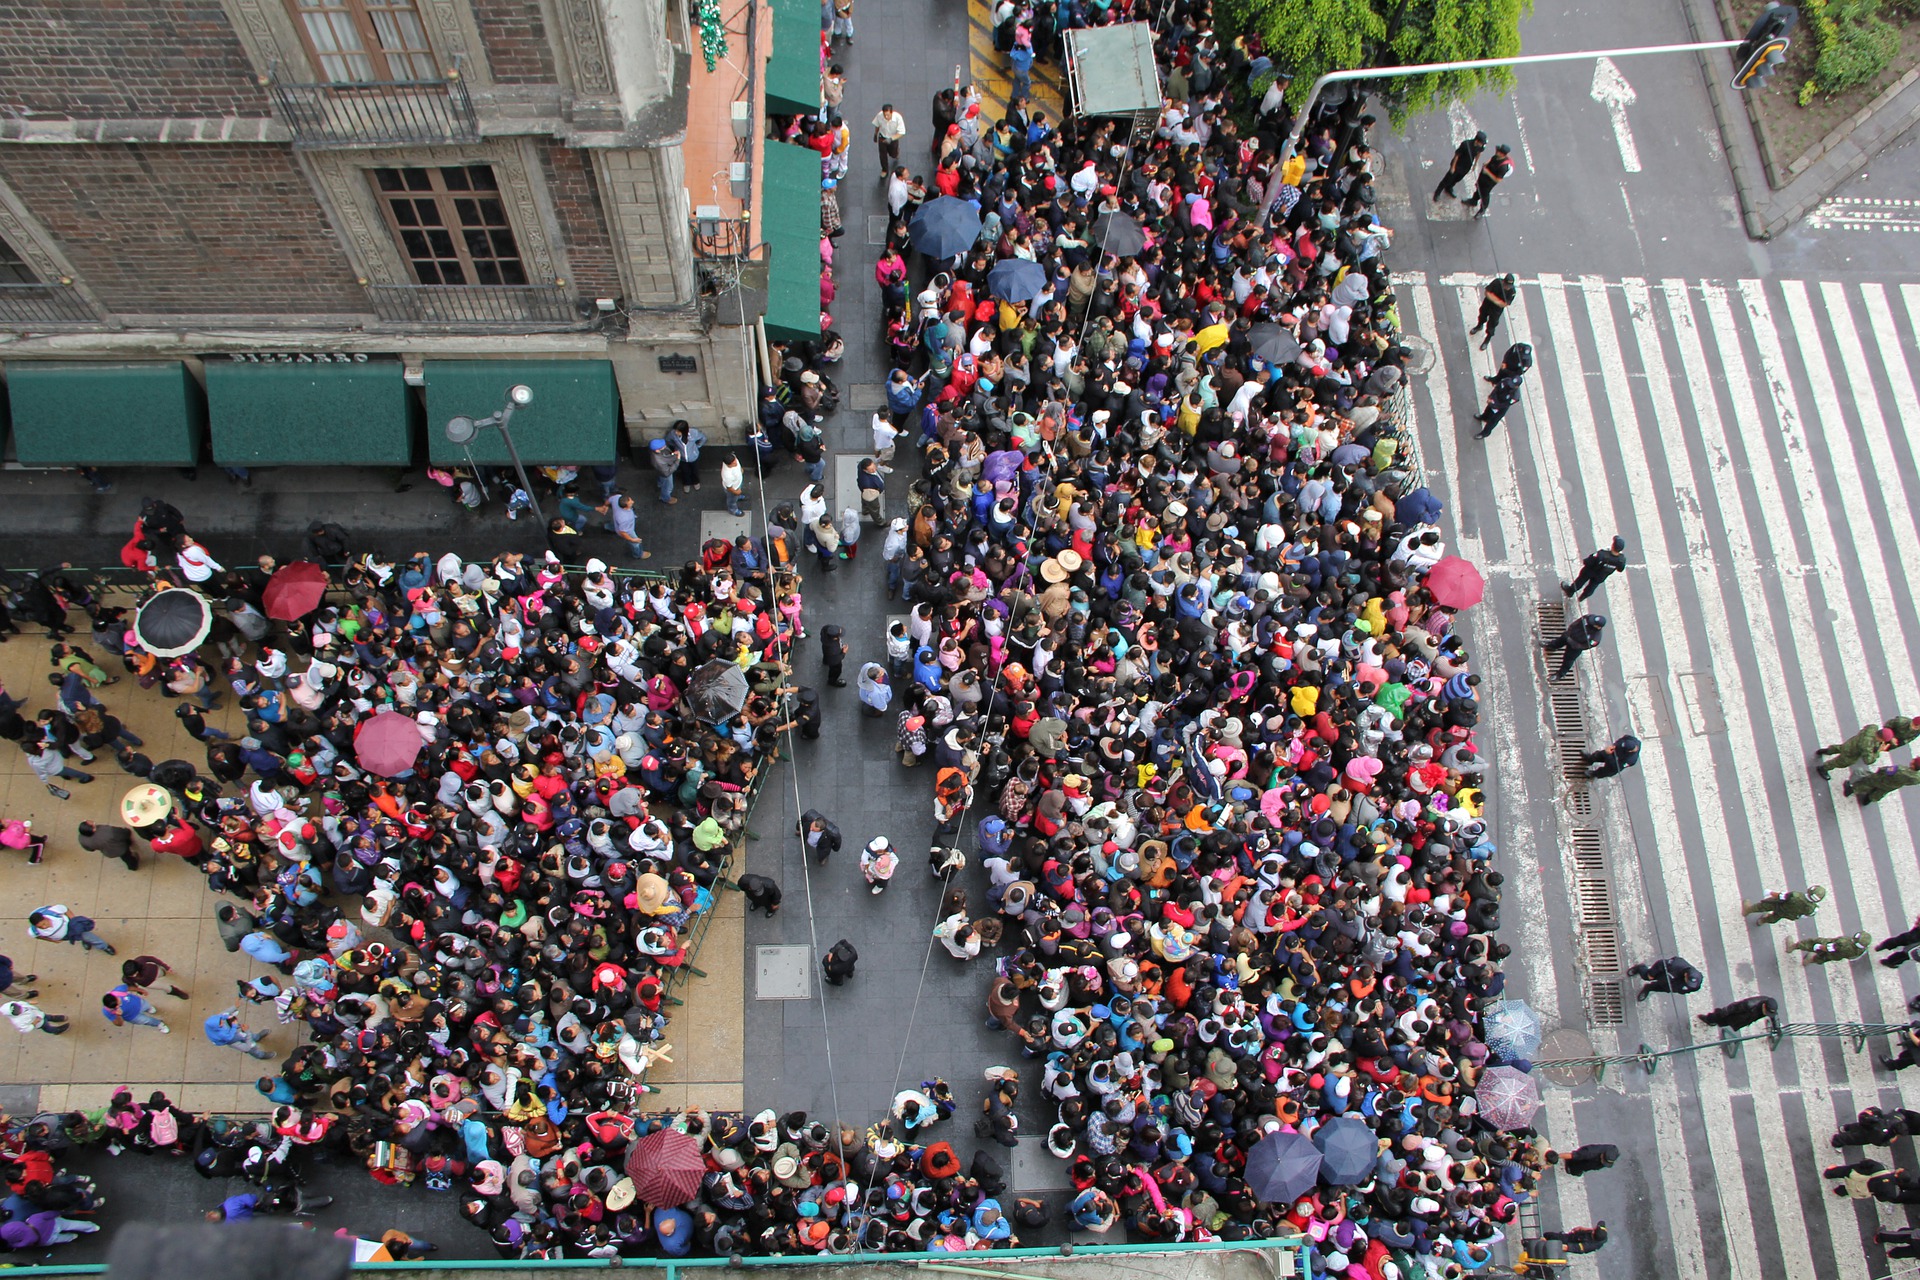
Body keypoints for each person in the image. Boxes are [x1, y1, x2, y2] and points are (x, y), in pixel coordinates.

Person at [1542, 613, 1606, 682]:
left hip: (1574, 648)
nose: (1591, 622)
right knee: (1558, 641)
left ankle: (1559, 675)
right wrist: (1569, 632)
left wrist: (1572, 643)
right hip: (1569, 635)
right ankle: (1551, 646)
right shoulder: (1589, 618)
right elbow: (1576, 623)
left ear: (1598, 627)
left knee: (1568, 661)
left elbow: (1584, 646)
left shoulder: (1595, 638)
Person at [1562, 536, 1628, 601]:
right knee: (1592, 587)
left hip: (1590, 571)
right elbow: (1620, 569)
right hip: (1601, 576)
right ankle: (1583, 597)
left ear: (1613, 546)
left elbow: (1588, 561)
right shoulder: (1621, 560)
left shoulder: (1601, 554)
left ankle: (1570, 591)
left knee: (1580, 581)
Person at [1467, 273, 1516, 351]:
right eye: (1506, 285)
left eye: (1509, 286)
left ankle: (1487, 340)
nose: (1507, 287)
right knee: (1482, 316)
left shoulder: (1512, 291)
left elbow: (1504, 304)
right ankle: (1479, 326)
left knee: (1491, 326)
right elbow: (1487, 293)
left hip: (1496, 311)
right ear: (1503, 282)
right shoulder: (1497, 282)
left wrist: (1492, 298)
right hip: (1487, 304)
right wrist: (1497, 301)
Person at [1433, 130, 1486, 201]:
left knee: (1456, 180)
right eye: (1481, 143)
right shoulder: (1465, 145)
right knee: (1447, 180)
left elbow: (1478, 153)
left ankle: (1449, 188)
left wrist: (1475, 164)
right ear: (1477, 141)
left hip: (1466, 168)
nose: (1482, 145)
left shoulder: (1480, 147)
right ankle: (1437, 192)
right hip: (1457, 166)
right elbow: (1457, 155)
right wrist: (1453, 167)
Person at [204, 1007, 274, 1059]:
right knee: (252, 1049)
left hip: (238, 1033)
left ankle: (257, 1037)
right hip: (238, 1040)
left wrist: (234, 1007)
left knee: (250, 1035)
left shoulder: (218, 1022)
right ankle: (260, 1055)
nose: (222, 1021)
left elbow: (223, 1014)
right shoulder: (232, 1042)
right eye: (220, 1023)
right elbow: (247, 1047)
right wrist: (247, 1032)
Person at [1468, 143, 1514, 218]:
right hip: (1483, 176)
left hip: (1489, 181)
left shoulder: (1503, 168)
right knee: (1478, 188)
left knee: (1485, 194)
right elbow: (1492, 159)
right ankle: (1474, 200)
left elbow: (1497, 179)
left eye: (1499, 152)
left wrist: (1487, 172)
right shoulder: (1497, 156)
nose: (1497, 152)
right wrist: (1487, 163)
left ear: (1503, 154)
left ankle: (1482, 209)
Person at [1627, 955, 1701, 1001]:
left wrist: (1677, 990)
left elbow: (1690, 990)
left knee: (1655, 987)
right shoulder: (1676, 964)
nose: (1688, 984)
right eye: (1688, 981)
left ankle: (1647, 988)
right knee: (1646, 976)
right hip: (1662, 975)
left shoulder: (1695, 984)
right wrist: (1652, 973)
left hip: (1668, 987)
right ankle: (1640, 968)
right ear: (1686, 975)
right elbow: (1660, 963)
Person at [1743, 885, 1825, 926]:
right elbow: (1804, 916)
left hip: (1779, 905)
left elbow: (1781, 896)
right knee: (1774, 918)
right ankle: (1762, 921)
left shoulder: (1795, 895)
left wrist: (1770, 892)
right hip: (1787, 914)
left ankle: (1747, 910)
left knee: (1761, 907)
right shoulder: (1813, 909)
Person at [102, 985, 170, 1034]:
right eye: (117, 1006)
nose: (120, 1005)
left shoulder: (119, 990)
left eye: (118, 1001)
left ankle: (149, 1008)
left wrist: (141, 990)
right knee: (148, 1020)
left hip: (140, 1003)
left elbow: (129, 987)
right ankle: (159, 1024)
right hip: (133, 1017)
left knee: (147, 1006)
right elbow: (119, 1024)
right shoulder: (107, 1012)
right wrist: (118, 1015)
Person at [121, 955, 190, 1001]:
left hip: (156, 971)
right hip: (149, 983)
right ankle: (177, 992)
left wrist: (166, 967)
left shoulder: (140, 960)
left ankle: (164, 974)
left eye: (134, 974)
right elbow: (132, 985)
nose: (134, 976)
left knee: (163, 973)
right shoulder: (126, 978)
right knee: (166, 987)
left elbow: (153, 959)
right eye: (131, 975)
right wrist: (140, 991)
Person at [1696, 994, 1779, 1031]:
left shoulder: (1769, 1007)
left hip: (1742, 1020)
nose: (1767, 1014)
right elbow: (1733, 1007)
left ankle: (1713, 1020)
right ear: (1764, 1005)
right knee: (1718, 1019)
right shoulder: (1749, 1004)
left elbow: (1773, 1016)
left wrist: (1776, 1027)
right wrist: (1723, 1013)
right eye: (1767, 1012)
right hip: (1733, 1017)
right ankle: (1709, 1019)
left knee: (1723, 1022)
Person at [1787, 930, 1871, 964]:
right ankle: (1808, 961)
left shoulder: (1844, 943)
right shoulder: (1861, 950)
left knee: (1808, 944)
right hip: (1836, 956)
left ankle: (1792, 947)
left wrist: (1819, 946)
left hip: (1829, 948)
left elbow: (1828, 948)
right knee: (1822, 958)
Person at [1, 997, 67, 1036]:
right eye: (17, 1011)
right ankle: (55, 1031)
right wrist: (34, 1023)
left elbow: (22, 1003)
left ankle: (54, 1018)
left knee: (47, 1016)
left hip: (38, 1013)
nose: (20, 1009)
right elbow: (25, 1029)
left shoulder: (17, 1005)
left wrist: (29, 1003)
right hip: (39, 1022)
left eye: (17, 1007)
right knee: (46, 1027)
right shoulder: (18, 1022)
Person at [872, 103, 905, 170]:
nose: (886, 117)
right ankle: (884, 169)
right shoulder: (879, 116)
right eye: (884, 115)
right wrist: (875, 134)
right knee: (882, 155)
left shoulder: (898, 118)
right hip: (882, 137)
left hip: (893, 138)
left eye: (888, 115)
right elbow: (877, 125)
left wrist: (891, 139)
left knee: (893, 154)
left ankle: (896, 153)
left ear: (891, 112)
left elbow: (901, 132)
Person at [649, 436, 680, 504]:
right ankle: (665, 498)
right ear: (657, 450)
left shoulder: (654, 451)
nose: (665, 446)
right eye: (663, 446)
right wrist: (678, 459)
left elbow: (665, 456)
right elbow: (668, 472)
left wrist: (672, 454)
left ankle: (659, 484)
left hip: (660, 471)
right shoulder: (659, 462)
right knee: (668, 487)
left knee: (661, 479)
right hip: (665, 473)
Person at [1542, 1222, 1607, 1254]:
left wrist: (1550, 1244)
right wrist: (1582, 1229)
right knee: (1548, 1235)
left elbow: (1568, 1247)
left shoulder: (1588, 1246)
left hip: (1570, 1242)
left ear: (1593, 1234)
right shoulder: (1601, 1232)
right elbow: (1595, 1228)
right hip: (1576, 1236)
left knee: (1550, 1237)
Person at [720, 452, 747, 517]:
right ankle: (732, 510)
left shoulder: (733, 457)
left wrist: (740, 470)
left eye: (735, 460)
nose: (736, 463)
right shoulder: (727, 475)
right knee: (732, 500)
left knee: (735, 496)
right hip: (733, 489)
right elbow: (729, 488)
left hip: (738, 482)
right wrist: (736, 492)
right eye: (733, 463)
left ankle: (737, 497)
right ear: (728, 465)